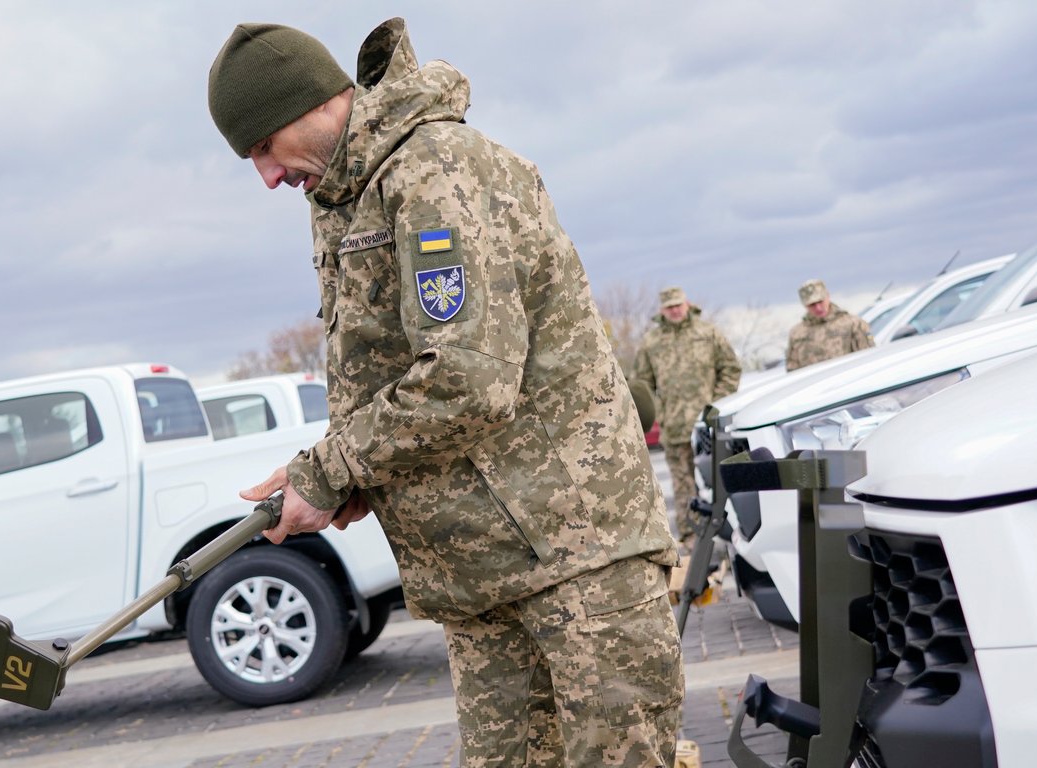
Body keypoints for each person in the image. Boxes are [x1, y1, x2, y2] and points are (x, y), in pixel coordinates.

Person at [208, 18, 683, 767]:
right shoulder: (347, 198)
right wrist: (347, 477)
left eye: (264, 147)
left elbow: (469, 378)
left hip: (574, 553)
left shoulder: (435, 169)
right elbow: (390, 372)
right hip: (483, 570)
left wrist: (334, 469)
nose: (267, 177)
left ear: (310, 103)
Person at [630, 287, 740, 550]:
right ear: (662, 310)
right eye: (670, 307)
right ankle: (693, 540)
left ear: (687, 304)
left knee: (725, 480)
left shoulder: (707, 333)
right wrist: (660, 412)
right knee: (683, 487)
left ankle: (738, 533)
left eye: (679, 305)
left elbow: (731, 369)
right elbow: (642, 385)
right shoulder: (651, 342)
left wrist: (717, 404)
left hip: (709, 426)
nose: (675, 310)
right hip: (675, 428)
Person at [785, 279, 874, 371]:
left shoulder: (853, 323)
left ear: (828, 296)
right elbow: (793, 371)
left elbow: (868, 361)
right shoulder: (797, 334)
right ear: (805, 305)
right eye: (812, 305)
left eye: (820, 301)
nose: (818, 308)